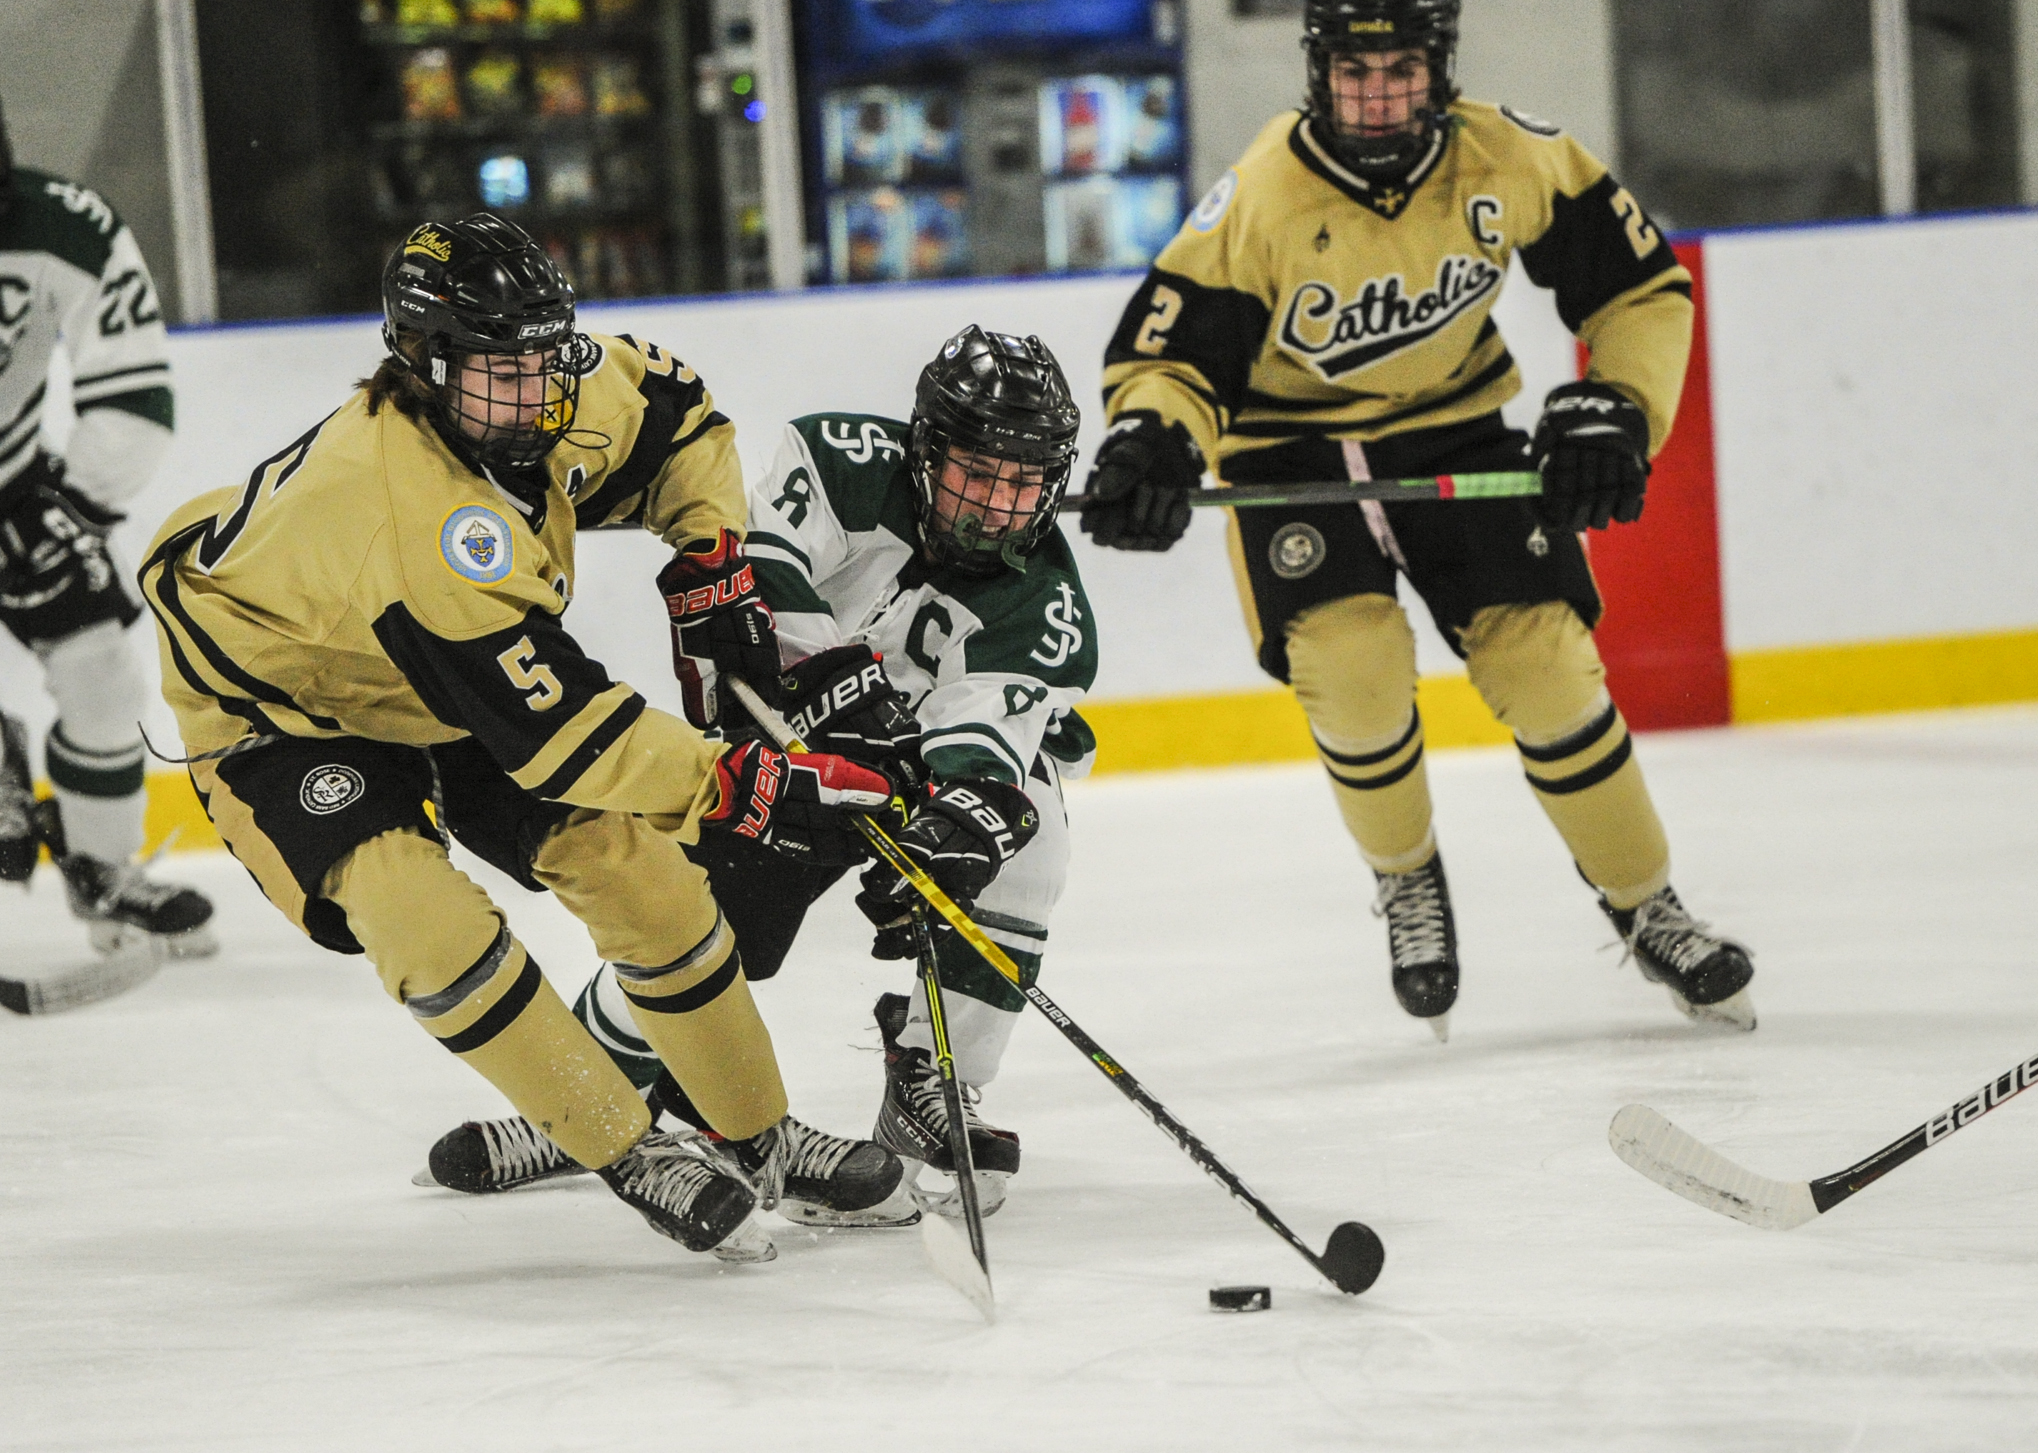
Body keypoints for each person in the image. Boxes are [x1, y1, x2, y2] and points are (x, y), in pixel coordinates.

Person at [138, 211, 905, 1259]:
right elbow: (570, 740)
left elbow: (682, 414)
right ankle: (626, 1150)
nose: (535, 389)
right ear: (418, 364)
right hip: (276, 708)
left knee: (639, 873)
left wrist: (710, 555)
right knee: (417, 913)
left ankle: (760, 1135)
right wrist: (747, 783)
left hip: (425, 677)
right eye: (502, 369)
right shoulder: (407, 513)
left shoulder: (537, 391)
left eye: (546, 356)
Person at [1079, 0, 1753, 1038]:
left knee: (1549, 668)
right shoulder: (1262, 193)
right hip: (1286, 452)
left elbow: (1639, 286)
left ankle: (1647, 903)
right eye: (1357, 71)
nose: (1380, 93)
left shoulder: (1513, 157)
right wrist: (1153, 437)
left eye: (1402, 69)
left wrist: (1617, 408)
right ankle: (1406, 879)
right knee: (1350, 666)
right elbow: (1169, 356)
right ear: (1318, 73)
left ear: (1439, 67)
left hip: (1454, 434)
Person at [417, 325, 1094, 1223]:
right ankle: (587, 1098)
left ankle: (940, 1084)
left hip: (906, 761)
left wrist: (949, 836)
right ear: (926, 450)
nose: (996, 506)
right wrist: (836, 714)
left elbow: (983, 740)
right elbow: (761, 567)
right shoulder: (840, 456)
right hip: (781, 737)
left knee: (1029, 839)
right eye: (978, 472)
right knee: (701, 922)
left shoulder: (1046, 605)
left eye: (1022, 483)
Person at [0, 96, 213, 950]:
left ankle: (102, 871)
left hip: (14, 486)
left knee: (103, 675)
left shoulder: (62, 226)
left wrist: (73, 509)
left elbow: (132, 389)